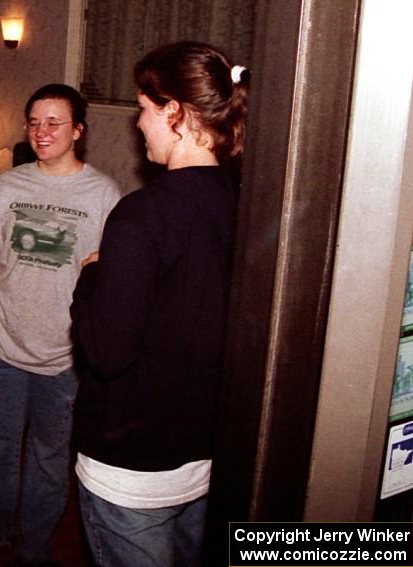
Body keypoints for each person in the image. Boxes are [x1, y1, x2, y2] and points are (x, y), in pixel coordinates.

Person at [69, 41, 249, 566]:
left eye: (143, 110)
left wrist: (91, 276)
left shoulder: (140, 215)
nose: (139, 125)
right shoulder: (246, 201)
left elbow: (105, 352)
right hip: (206, 455)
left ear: (175, 112)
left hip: (133, 471)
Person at [0, 84, 122, 566]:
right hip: (3, 347)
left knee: (49, 462)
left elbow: (106, 278)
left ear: (79, 131)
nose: (41, 132)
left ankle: (34, 546)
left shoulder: (104, 194)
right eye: (34, 122)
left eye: (54, 123)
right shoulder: (8, 185)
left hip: (64, 357)